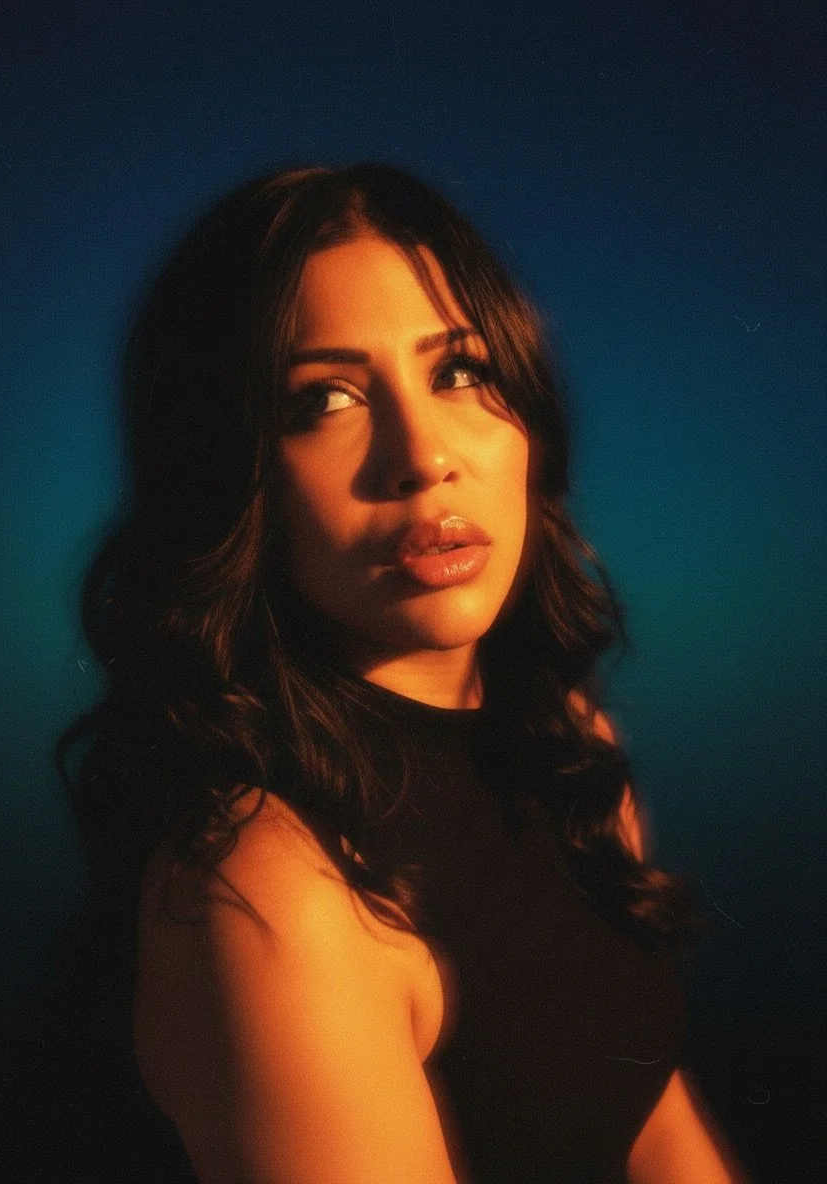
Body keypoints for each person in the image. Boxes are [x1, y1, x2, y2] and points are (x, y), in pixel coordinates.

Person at [63, 163, 743, 1182]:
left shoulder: (565, 739)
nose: (422, 455)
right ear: (229, 471)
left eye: (460, 371)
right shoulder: (271, 896)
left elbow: (648, 1112)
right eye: (323, 398)